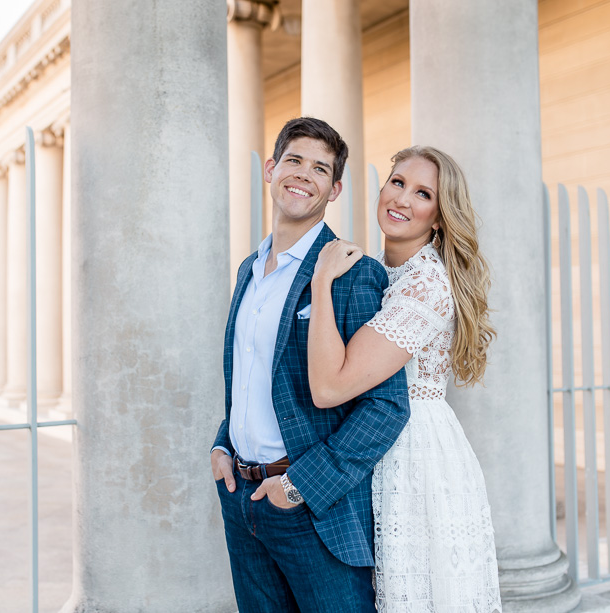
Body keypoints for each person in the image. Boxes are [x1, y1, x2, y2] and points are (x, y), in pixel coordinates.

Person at [211, 117, 410, 613]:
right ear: (272, 169)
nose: (304, 174)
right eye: (294, 160)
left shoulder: (353, 272)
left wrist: (300, 486)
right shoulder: (249, 269)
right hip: (242, 498)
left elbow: (386, 406)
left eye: (320, 168)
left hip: (311, 508)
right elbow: (253, 376)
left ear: (335, 188)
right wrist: (221, 446)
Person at [308, 146, 502, 612]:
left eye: (423, 193)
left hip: (414, 451)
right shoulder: (376, 270)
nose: (402, 199)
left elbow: (331, 386)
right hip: (369, 438)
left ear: (438, 216)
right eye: (397, 182)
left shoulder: (425, 286)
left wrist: (320, 284)